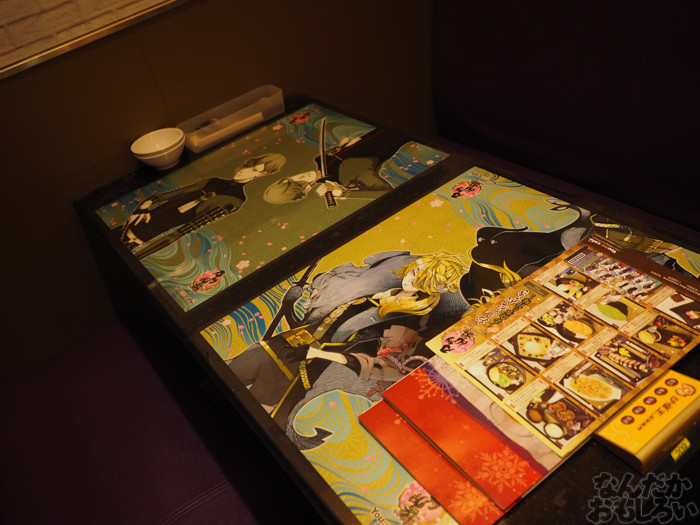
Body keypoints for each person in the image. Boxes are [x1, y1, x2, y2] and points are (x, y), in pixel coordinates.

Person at [228, 250, 470, 425]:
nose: (411, 276)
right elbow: (319, 326)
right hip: (277, 346)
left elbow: (381, 367)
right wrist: (289, 304)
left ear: (434, 287)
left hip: (297, 370)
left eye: (423, 277)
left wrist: (317, 354)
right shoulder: (380, 295)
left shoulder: (408, 321)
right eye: (416, 269)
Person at [120, 153, 286, 258]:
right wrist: (147, 203)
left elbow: (191, 227)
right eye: (248, 165)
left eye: (254, 170)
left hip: (151, 233)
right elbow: (178, 193)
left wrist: (149, 249)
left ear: (262, 174)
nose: (244, 170)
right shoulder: (213, 180)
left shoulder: (236, 199)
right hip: (142, 218)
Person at [262, 127, 409, 205]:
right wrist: (345, 193)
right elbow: (386, 192)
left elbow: (341, 150)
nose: (301, 176)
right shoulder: (346, 177)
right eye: (300, 184)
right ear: (306, 189)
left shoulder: (320, 158)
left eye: (292, 179)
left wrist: (343, 146)